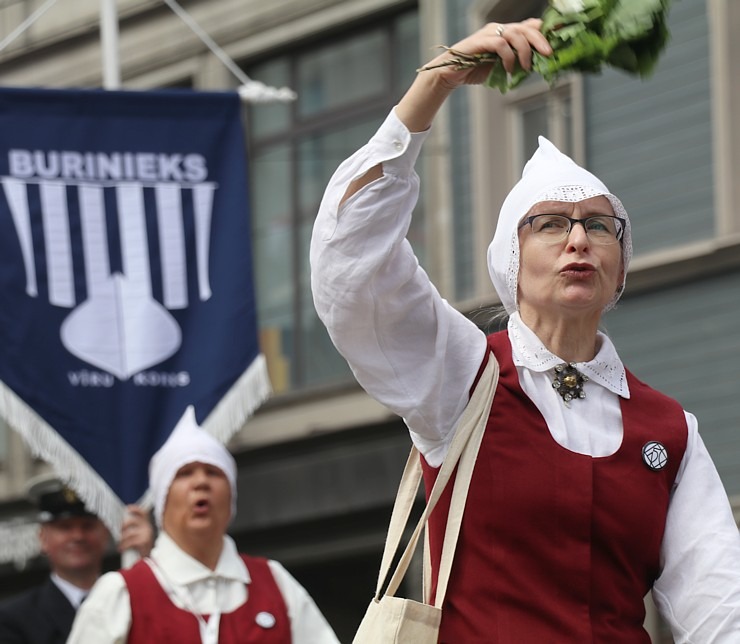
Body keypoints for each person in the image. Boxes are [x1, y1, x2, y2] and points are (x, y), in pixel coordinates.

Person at [310, 18, 740, 642]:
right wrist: (437, 81)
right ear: (510, 261)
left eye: (598, 226)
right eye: (549, 224)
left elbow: (719, 603)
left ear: (620, 265)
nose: (577, 239)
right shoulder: (460, 374)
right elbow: (353, 264)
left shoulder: (669, 429)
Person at [68, 406, 340, 643]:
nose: (201, 483)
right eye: (184, 473)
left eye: (213, 472)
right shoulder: (120, 593)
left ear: (231, 495)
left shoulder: (275, 582)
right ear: (163, 500)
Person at [0, 475, 153, 644]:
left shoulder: (129, 601)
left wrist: (147, 561)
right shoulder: (13, 619)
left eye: (87, 526)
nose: (78, 536)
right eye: (65, 527)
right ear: (43, 538)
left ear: (106, 533)